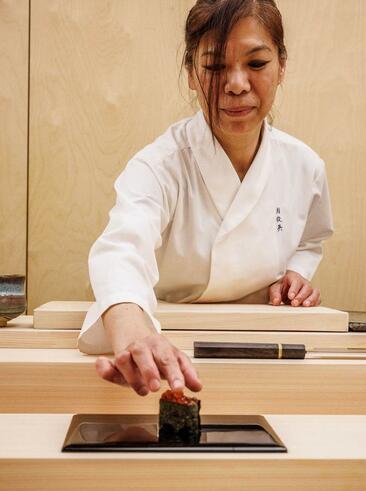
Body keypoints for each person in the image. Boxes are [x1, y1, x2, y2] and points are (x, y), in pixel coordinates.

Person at [78, 0, 334, 397]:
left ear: (282, 66)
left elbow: (310, 239)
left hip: (263, 347)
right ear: (191, 74)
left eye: (256, 63)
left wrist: (296, 275)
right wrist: (133, 332)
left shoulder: (305, 165)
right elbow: (122, 248)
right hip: (171, 344)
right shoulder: (159, 164)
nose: (236, 84)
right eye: (214, 67)